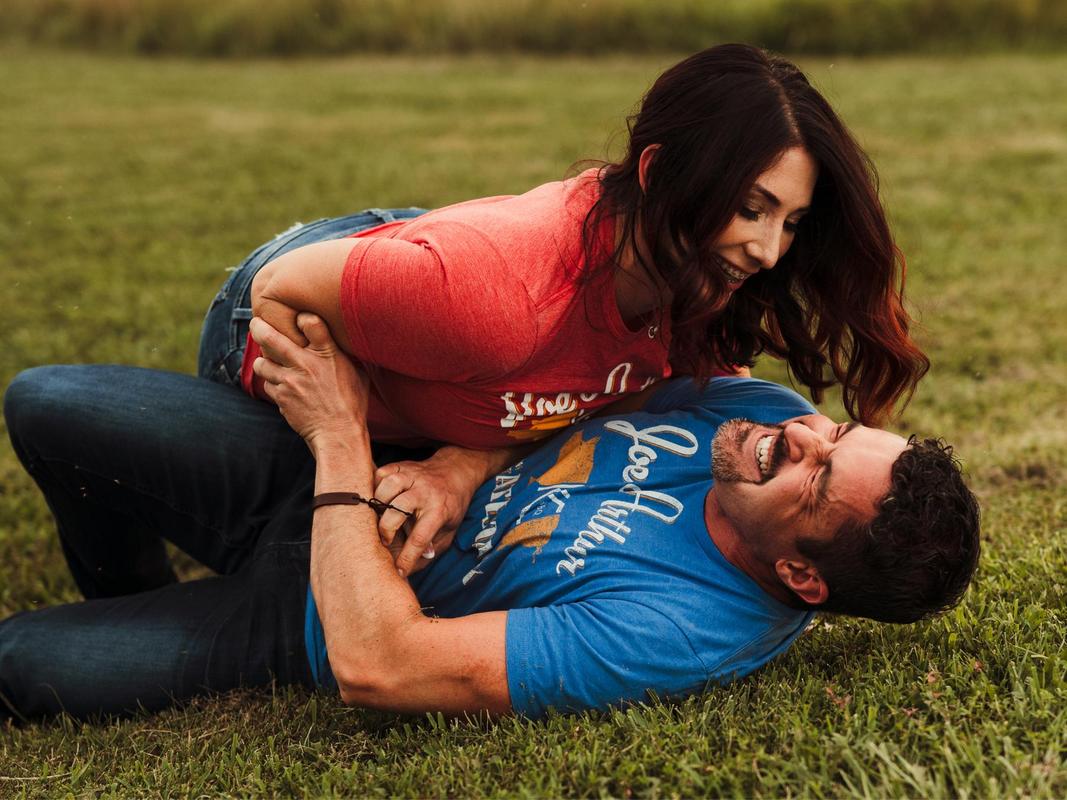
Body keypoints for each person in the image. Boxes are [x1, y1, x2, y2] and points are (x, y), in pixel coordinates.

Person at [0, 316, 979, 721]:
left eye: (814, 473)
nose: (796, 432)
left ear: (801, 575)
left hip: (310, 611)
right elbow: (581, 388)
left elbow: (383, 665)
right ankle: (130, 587)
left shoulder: (680, 631)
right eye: (833, 429)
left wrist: (339, 438)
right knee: (46, 402)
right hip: (315, 477)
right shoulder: (758, 414)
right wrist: (458, 467)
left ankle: (154, 613)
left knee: (17, 664)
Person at [195, 44, 930, 574]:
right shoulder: (489, 309)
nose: (769, 252)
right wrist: (343, 440)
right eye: (749, 209)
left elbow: (604, 400)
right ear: (657, 175)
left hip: (452, 278)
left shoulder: (697, 288)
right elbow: (278, 288)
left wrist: (461, 464)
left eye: (791, 222)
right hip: (285, 300)